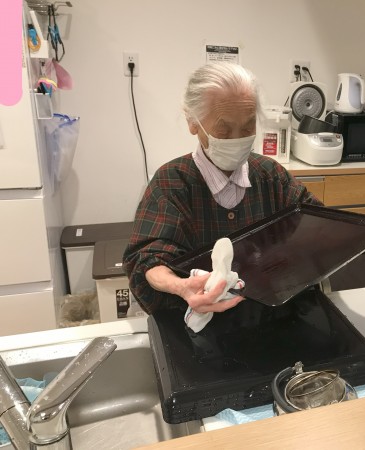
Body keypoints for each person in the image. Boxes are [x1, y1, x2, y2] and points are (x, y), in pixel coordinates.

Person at [123, 62, 322, 316]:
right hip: (198, 323)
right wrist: (181, 286)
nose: (237, 139)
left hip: (269, 317)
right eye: (224, 130)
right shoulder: (171, 183)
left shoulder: (270, 176)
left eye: (248, 127)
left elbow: (316, 222)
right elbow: (148, 258)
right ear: (193, 122)